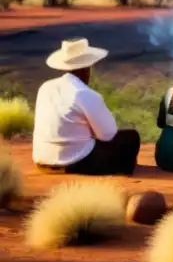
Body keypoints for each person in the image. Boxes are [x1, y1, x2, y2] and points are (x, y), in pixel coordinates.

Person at [33, 38, 141, 176]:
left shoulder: (45, 87)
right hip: (76, 161)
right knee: (131, 137)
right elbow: (108, 134)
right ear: (86, 68)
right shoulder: (84, 93)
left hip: (43, 160)